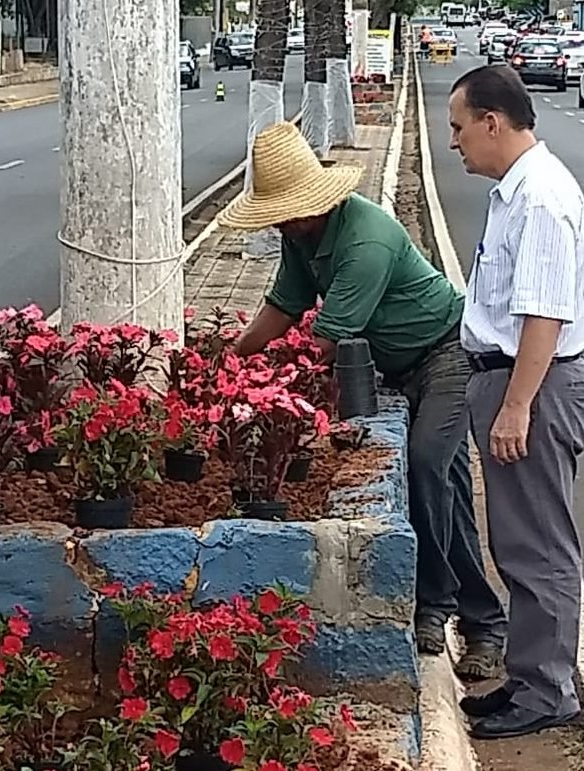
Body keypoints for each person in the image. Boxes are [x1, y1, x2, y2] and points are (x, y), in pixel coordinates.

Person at [219, 120, 507, 679]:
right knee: (441, 486)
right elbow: (284, 305)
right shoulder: (301, 235)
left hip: (446, 353)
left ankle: (438, 606)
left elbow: (323, 341)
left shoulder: (364, 239)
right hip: (397, 367)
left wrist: (268, 389)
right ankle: (481, 620)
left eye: (288, 210)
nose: (283, 219)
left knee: (424, 466)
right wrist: (233, 354)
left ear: (313, 202)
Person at [449, 64, 584, 740]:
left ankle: (550, 690)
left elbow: (545, 315)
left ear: (492, 122)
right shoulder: (514, 193)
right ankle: (529, 676)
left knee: (541, 546)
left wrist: (517, 404)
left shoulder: (542, 199)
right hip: (505, 378)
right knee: (518, 543)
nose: (455, 142)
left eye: (459, 127)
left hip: (530, 381)